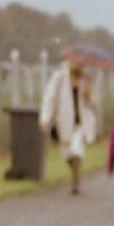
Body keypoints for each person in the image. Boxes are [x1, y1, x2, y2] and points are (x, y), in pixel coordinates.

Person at [37, 53, 99, 196]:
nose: (77, 65)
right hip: (64, 122)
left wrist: (88, 93)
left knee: (77, 150)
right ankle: (74, 170)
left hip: (81, 124)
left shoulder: (86, 79)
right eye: (74, 61)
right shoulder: (59, 78)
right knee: (66, 154)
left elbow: (94, 104)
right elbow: (50, 98)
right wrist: (45, 118)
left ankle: (75, 181)